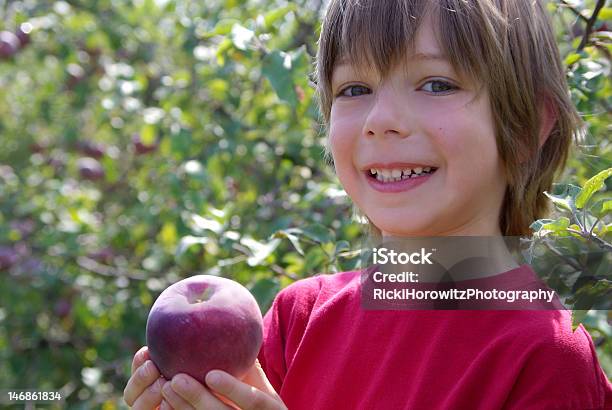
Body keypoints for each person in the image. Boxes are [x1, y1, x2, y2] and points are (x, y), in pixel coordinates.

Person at [123, 0, 612, 408]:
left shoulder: (544, 357)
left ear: (529, 125)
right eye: (354, 89)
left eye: (436, 83)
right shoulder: (298, 318)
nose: (381, 119)